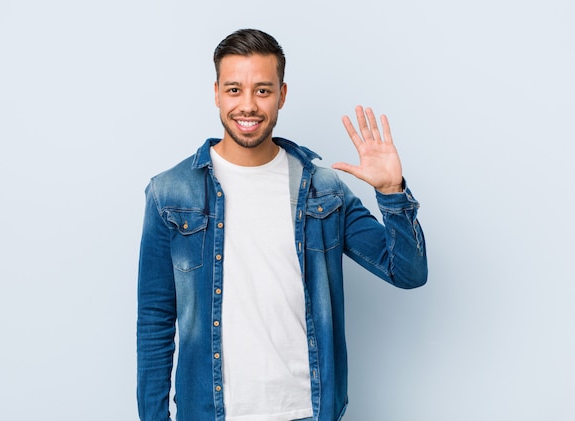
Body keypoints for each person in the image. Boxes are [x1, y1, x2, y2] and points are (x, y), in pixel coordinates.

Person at [137, 28, 427, 421]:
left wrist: (392, 192)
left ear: (282, 95)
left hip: (306, 411)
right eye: (235, 89)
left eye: (262, 90)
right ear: (217, 93)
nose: (248, 106)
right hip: (209, 411)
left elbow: (407, 273)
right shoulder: (170, 193)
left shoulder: (323, 189)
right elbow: (155, 321)